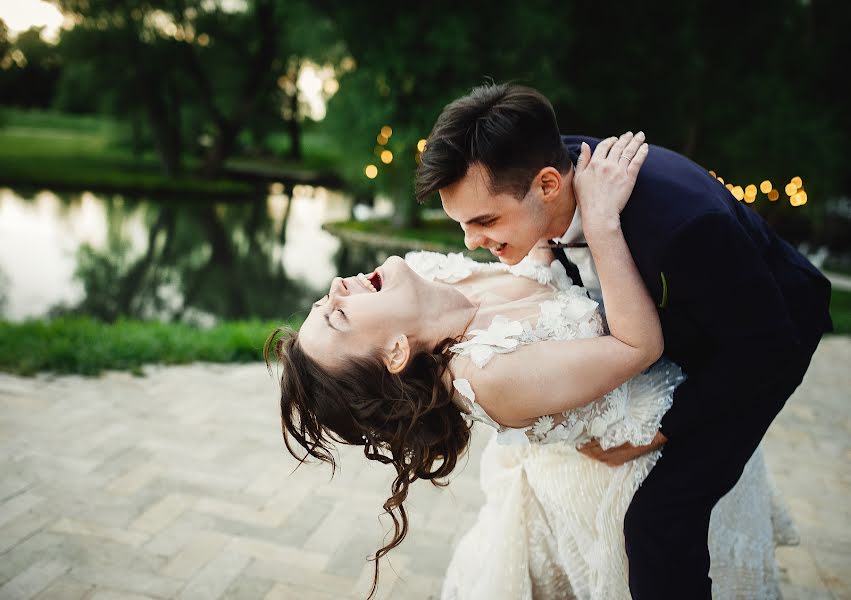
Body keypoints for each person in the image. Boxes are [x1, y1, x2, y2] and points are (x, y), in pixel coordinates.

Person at [266, 135, 797, 599]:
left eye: (323, 302)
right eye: (338, 316)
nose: (336, 288)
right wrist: (603, 219)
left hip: (697, 390)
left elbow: (535, 261)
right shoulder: (491, 375)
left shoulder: (424, 275)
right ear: (397, 352)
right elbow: (638, 347)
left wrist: (549, 201)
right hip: (642, 457)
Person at [414, 83, 833, 599]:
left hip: (767, 339)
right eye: (462, 224)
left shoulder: (682, 226)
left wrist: (660, 431)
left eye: (485, 221)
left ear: (548, 185)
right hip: (692, 320)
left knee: (658, 521)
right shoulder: (541, 170)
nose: (471, 242)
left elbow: (764, 349)